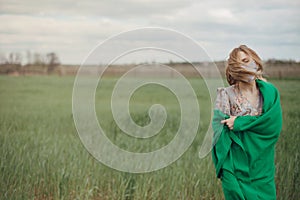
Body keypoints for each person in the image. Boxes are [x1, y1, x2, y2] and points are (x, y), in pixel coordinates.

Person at [211, 45, 282, 199]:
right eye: (241, 63)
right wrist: (226, 171)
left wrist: (240, 122)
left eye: (247, 60)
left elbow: (273, 126)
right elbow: (218, 136)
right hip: (236, 172)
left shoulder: (269, 93)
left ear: (256, 60)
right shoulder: (226, 95)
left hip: (263, 169)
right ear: (235, 70)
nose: (247, 66)